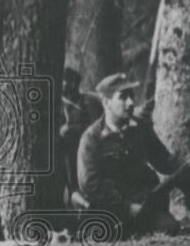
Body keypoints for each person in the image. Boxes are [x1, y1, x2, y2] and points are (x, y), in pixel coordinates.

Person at [76, 72, 180, 236]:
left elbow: (164, 162)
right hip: (108, 212)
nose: (131, 102)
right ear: (106, 102)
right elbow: (91, 185)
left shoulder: (140, 128)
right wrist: (126, 208)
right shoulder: (92, 138)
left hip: (142, 207)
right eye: (123, 97)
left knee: (170, 227)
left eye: (131, 96)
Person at [59, 68, 102, 206]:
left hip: (87, 147)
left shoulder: (88, 101)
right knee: (71, 182)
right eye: (64, 81)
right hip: (67, 149)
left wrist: (71, 129)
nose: (65, 84)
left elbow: (96, 125)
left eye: (67, 81)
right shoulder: (58, 104)